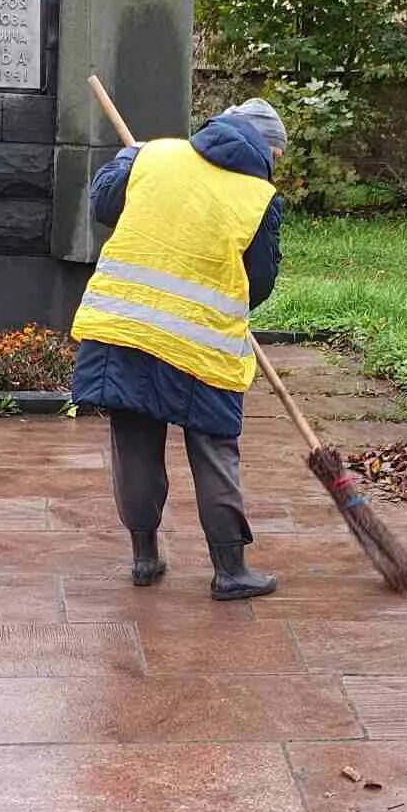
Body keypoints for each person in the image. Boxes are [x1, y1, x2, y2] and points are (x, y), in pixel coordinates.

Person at [71, 98, 287, 600]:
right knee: (214, 450)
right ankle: (230, 570)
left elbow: (103, 204)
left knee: (135, 446)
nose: (277, 167)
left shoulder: (154, 156)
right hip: (202, 346)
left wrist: (131, 161)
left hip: (124, 331)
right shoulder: (258, 197)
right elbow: (258, 284)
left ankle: (144, 558)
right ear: (266, 148)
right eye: (278, 156)